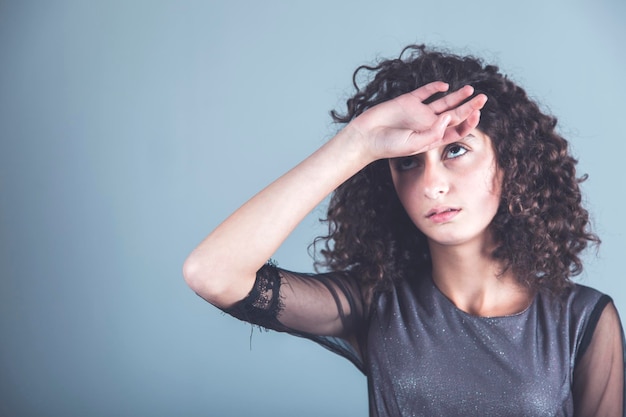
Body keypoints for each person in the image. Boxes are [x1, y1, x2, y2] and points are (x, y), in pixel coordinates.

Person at [183, 44, 625, 416]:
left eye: (455, 150)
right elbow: (212, 273)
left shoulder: (581, 321)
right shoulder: (375, 303)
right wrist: (357, 144)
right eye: (408, 163)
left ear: (510, 163)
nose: (432, 184)